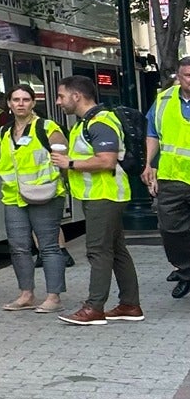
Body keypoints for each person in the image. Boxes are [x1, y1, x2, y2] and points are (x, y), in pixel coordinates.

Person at [52, 75, 143, 324]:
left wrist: (69, 163)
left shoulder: (99, 123)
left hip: (104, 195)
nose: (58, 102)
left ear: (76, 96)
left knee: (98, 251)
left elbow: (107, 160)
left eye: (61, 96)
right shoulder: (88, 122)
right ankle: (130, 305)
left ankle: (94, 309)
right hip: (103, 194)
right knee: (117, 251)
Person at [0, 84, 70, 314]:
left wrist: (65, 181)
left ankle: (53, 297)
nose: (20, 103)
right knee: (18, 248)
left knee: (48, 247)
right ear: (8, 103)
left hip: (45, 195)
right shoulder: (4, 132)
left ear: (33, 103)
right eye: (15, 99)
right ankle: (26, 294)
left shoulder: (46, 127)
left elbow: (63, 153)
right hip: (14, 197)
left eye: (25, 99)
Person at [144, 56, 190, 300]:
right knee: (170, 231)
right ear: (178, 77)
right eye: (188, 76)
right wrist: (149, 163)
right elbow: (153, 133)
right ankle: (186, 270)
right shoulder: (164, 100)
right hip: (172, 177)